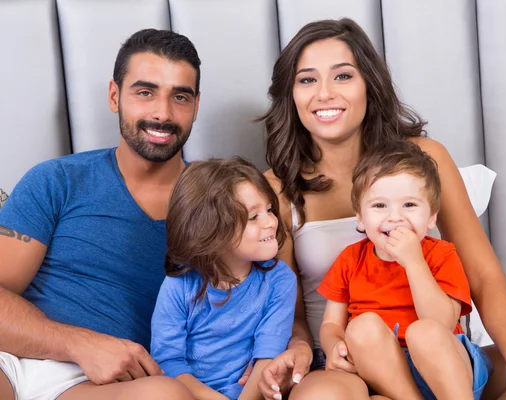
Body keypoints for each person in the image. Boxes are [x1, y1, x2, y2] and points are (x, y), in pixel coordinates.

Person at [255, 17, 506, 400]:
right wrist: (311, 347)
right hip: (347, 369)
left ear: (369, 83)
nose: (324, 94)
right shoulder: (276, 189)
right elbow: (291, 315)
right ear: (290, 94)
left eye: (342, 76)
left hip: (441, 357)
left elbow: (484, 275)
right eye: (307, 79)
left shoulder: (424, 157)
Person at [0, 29, 202, 400]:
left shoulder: (216, 203)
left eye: (180, 97)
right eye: (145, 92)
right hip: (10, 358)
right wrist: (78, 344)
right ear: (114, 96)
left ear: (196, 106)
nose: (162, 113)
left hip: (101, 387)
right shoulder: (57, 179)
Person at [317, 140, 492, 399]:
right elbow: (331, 323)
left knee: (424, 332)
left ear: (431, 217)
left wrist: (414, 262)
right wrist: (334, 346)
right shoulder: (351, 259)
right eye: (379, 206)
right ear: (361, 218)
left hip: (447, 369)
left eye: (409, 205)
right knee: (360, 327)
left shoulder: (441, 255)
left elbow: (442, 323)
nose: (394, 217)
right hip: (386, 376)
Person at [151, 157, 297, 400]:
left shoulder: (280, 281)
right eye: (253, 217)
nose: (271, 222)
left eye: (269, 210)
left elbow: (267, 358)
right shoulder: (180, 285)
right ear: (210, 230)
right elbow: (168, 361)